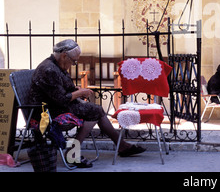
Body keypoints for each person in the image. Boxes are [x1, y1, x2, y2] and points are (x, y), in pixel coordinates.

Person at [29, 39, 145, 168]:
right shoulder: (49, 70)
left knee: (95, 110)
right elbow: (61, 98)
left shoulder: (57, 65)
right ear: (64, 56)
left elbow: (62, 89)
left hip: (56, 106)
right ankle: (74, 153)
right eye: (73, 61)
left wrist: (77, 90)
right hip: (48, 112)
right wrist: (79, 93)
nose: (74, 64)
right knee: (95, 111)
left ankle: (121, 146)